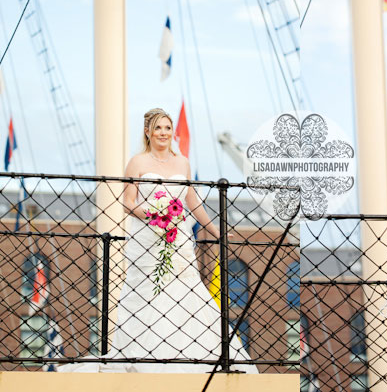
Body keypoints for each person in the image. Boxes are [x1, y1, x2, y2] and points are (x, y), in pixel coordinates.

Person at [60, 108, 257, 373]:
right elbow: (128, 202)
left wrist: (215, 230)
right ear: (148, 132)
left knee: (185, 291)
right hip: (146, 239)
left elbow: (191, 201)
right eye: (158, 128)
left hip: (179, 239)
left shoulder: (182, 163)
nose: (163, 133)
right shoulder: (137, 163)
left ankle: (190, 356)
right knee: (145, 292)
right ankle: (141, 357)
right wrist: (154, 216)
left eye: (167, 128)